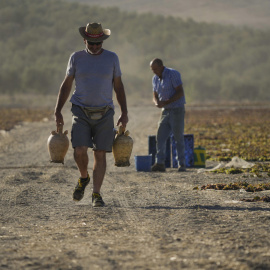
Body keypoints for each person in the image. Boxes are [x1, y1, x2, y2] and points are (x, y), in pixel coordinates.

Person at [54, 22, 128, 207]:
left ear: (103, 41)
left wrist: (124, 112)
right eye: (90, 43)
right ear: (84, 40)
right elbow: (66, 85)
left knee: (100, 153)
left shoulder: (112, 58)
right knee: (79, 150)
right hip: (80, 110)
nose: (94, 47)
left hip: (105, 112)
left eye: (98, 43)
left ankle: (96, 194)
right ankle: (83, 177)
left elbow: (118, 87)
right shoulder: (76, 58)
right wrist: (57, 111)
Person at [150, 58, 186, 172]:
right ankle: (160, 163)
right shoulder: (155, 78)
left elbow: (180, 92)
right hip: (165, 111)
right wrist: (157, 103)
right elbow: (154, 94)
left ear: (161, 66)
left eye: (155, 69)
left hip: (176, 110)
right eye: (152, 69)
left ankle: (181, 164)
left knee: (178, 137)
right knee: (160, 136)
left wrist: (166, 102)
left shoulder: (173, 74)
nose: (154, 71)